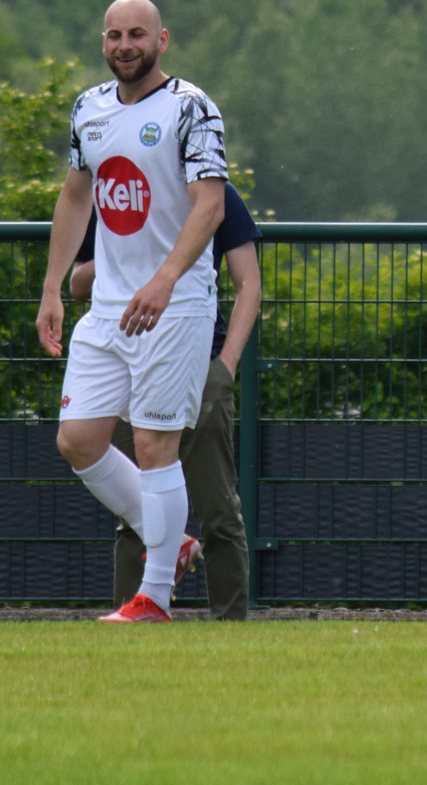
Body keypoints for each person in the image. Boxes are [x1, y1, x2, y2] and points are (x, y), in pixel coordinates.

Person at [36, 0, 228, 624]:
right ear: (103, 40)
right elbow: (75, 197)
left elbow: (210, 206)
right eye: (115, 35)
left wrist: (165, 280)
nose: (125, 45)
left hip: (175, 306)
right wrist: (52, 289)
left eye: (137, 34)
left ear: (161, 40)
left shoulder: (191, 107)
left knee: (153, 444)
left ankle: (155, 599)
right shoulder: (88, 109)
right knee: (78, 440)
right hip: (109, 310)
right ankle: (170, 541)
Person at [69, 179, 260, 620]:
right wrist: (126, 254)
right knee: (137, 511)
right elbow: (77, 283)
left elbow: (249, 283)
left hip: (199, 361)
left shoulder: (214, 193)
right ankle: (134, 619)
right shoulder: (115, 188)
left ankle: (231, 629)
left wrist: (225, 366)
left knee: (219, 510)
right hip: (129, 361)